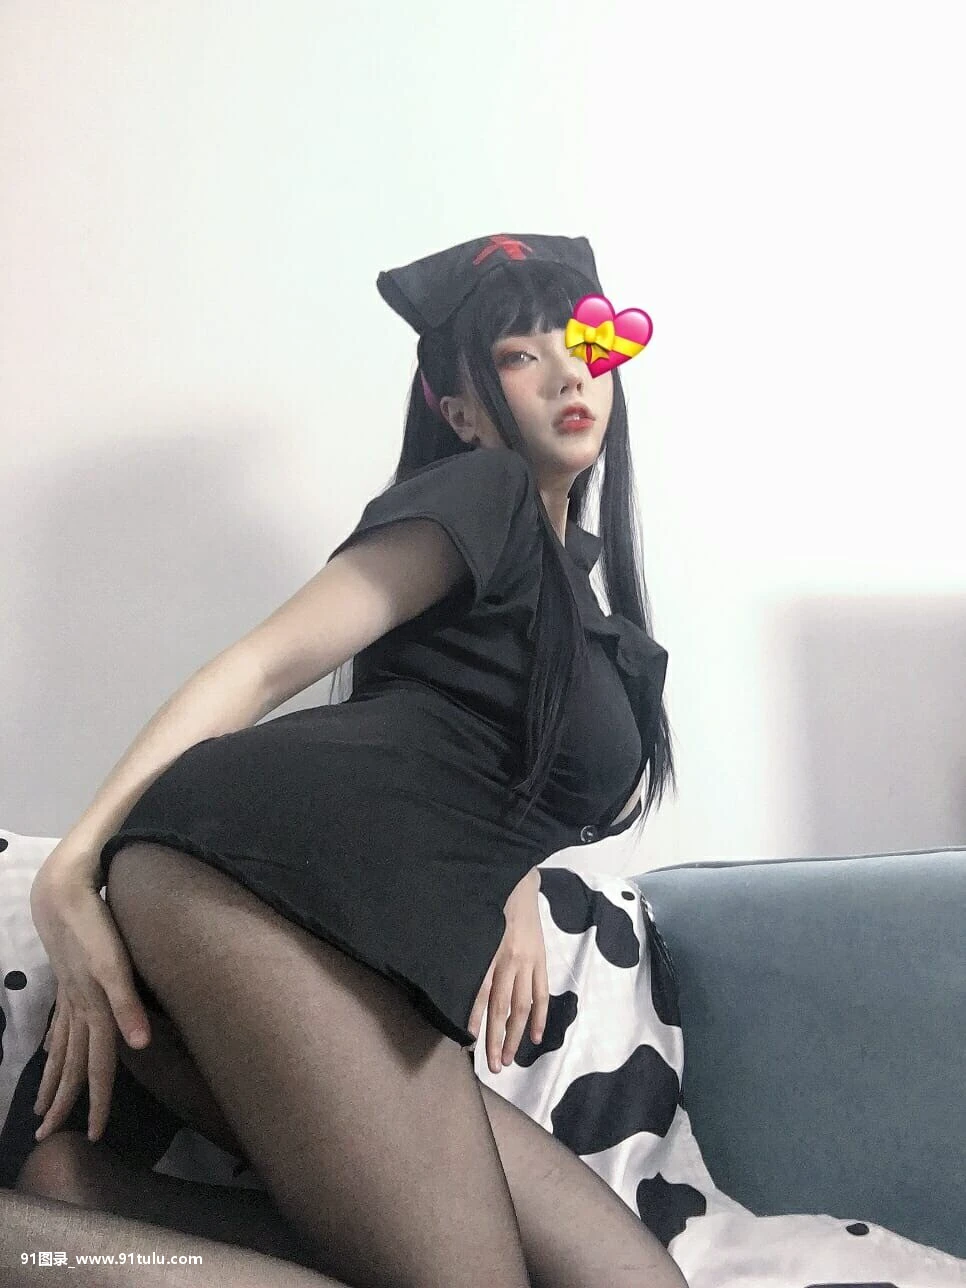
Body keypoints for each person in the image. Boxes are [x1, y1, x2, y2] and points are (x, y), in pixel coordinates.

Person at [3, 232, 684, 1287]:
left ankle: (79, 1210)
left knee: (636, 1282)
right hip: (245, 885)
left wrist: (512, 881)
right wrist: (71, 868)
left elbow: (456, 748)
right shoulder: (484, 491)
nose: (569, 371)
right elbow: (265, 663)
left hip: (360, 945)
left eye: (586, 342)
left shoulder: (588, 615)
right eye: (520, 354)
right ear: (460, 411)